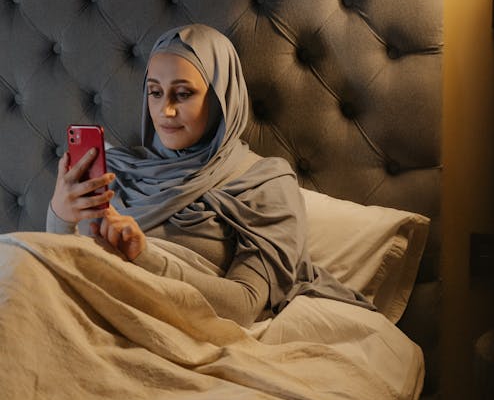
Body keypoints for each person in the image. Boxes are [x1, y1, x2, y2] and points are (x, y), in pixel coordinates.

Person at [48, 23, 371, 327]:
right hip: (83, 309)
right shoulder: (117, 169)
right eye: (155, 92)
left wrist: (144, 256)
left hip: (157, 322)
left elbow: (244, 305)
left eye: (183, 94)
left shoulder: (263, 183)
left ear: (220, 99)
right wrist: (60, 217)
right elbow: (63, 269)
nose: (165, 111)